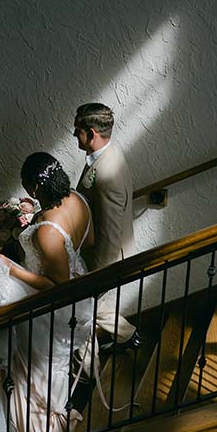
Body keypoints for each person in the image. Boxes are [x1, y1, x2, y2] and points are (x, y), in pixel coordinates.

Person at [0, 153, 96, 432]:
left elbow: (58, 286)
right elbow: (87, 243)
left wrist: (10, 266)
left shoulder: (48, 231)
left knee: (30, 371)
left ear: (36, 186)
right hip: (80, 291)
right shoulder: (77, 198)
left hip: (60, 308)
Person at [73, 103, 141, 351]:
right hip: (102, 250)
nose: (73, 135)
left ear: (91, 133)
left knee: (82, 306)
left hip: (107, 256)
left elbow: (110, 232)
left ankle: (88, 370)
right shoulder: (106, 156)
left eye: (77, 130)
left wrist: (96, 276)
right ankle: (127, 336)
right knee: (88, 306)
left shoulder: (107, 174)